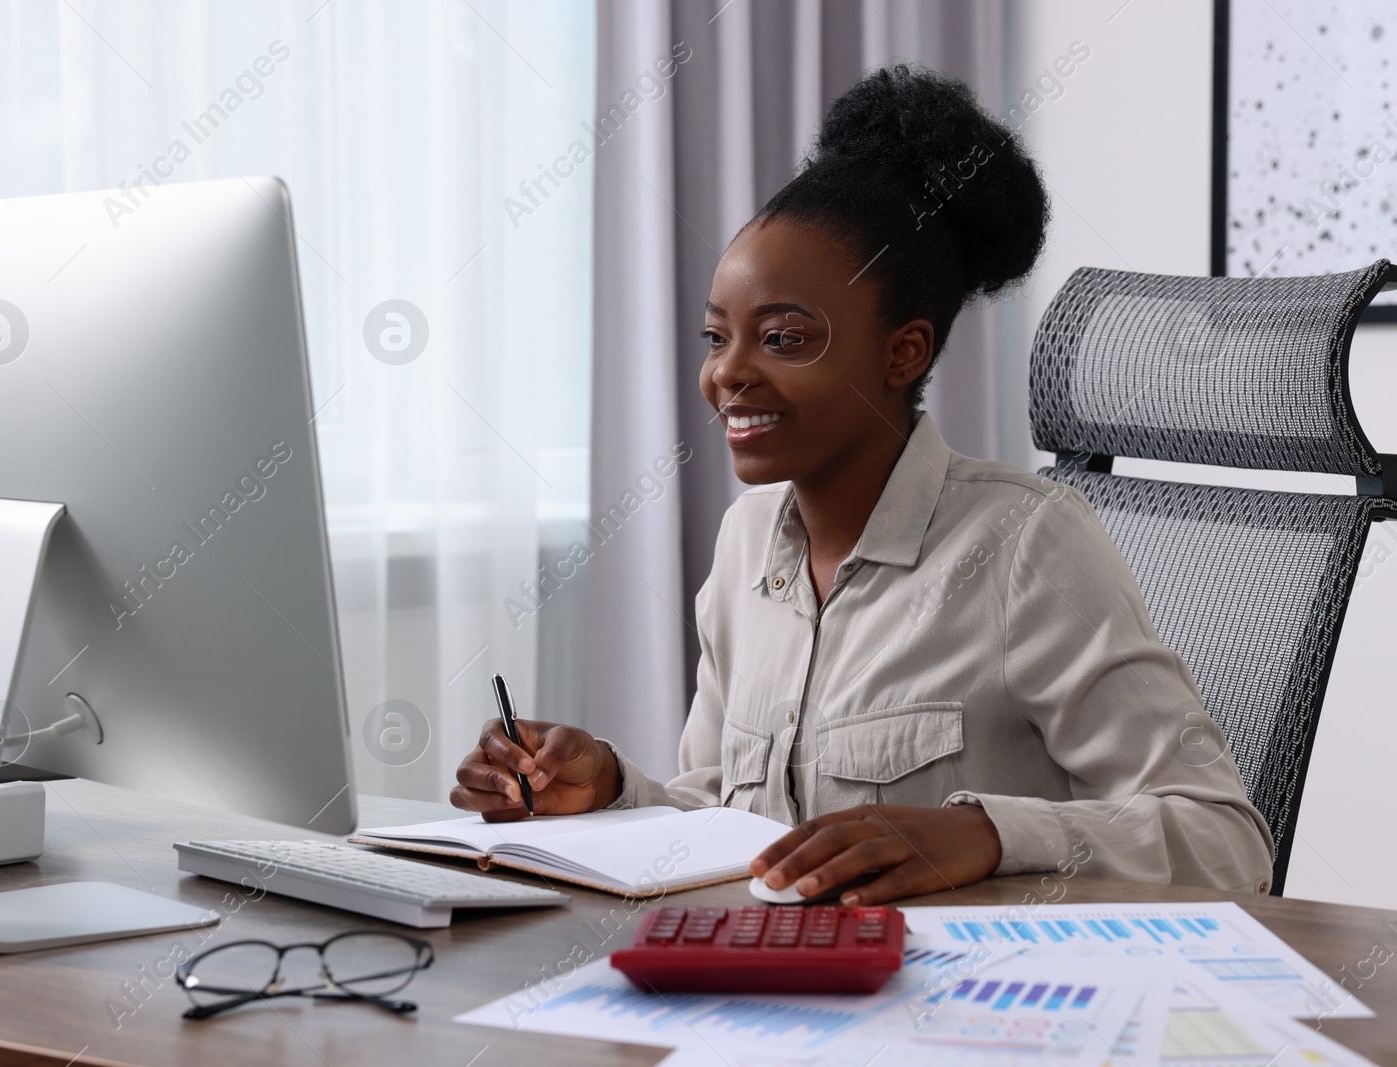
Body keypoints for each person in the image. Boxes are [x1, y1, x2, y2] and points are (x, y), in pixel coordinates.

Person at [451, 64, 1275, 905]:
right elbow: (727, 827)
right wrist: (611, 787)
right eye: (715, 336)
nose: (727, 374)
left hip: (966, 1013)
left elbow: (1225, 840)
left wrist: (986, 834)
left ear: (902, 352)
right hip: (782, 1004)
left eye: (783, 338)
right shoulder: (746, 542)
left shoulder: (1025, 544)